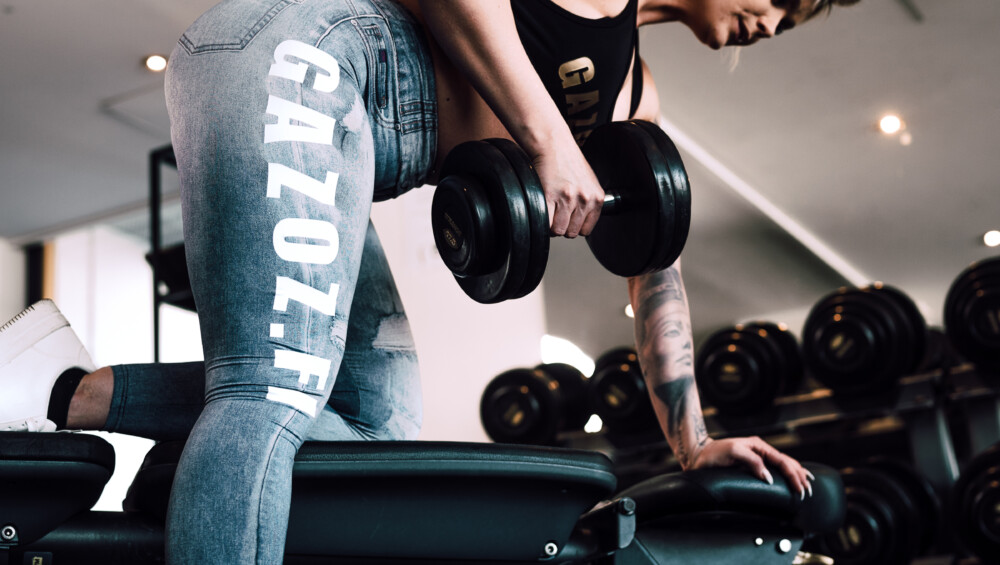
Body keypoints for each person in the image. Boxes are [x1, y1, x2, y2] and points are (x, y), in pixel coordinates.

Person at [0, 0, 857, 562]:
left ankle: (58, 386)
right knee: (271, 388)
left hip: (339, 129)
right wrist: (548, 141)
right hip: (300, 58)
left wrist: (695, 443)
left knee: (377, 407)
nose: (775, 21)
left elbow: (652, 265)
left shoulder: (635, 92)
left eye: (795, 22)